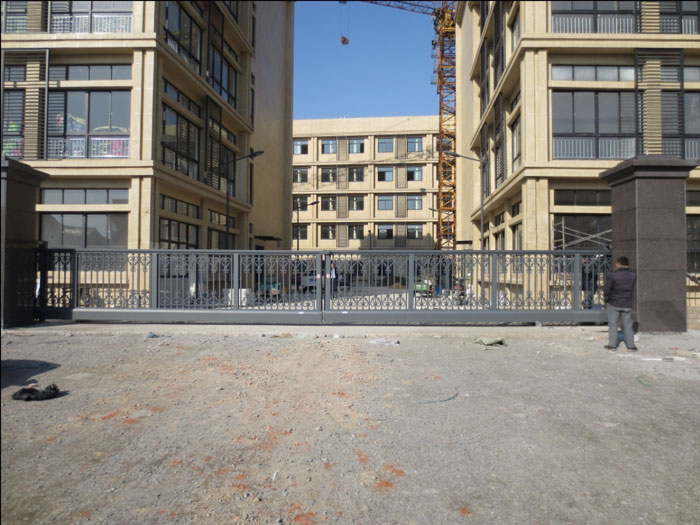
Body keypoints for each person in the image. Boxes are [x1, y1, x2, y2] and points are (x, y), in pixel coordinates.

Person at [603, 256, 637, 351]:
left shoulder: (613, 275)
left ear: (618, 264)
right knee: (628, 325)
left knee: (613, 325)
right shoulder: (633, 275)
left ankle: (612, 345)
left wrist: (606, 299)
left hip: (614, 303)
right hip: (627, 303)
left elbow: (607, 289)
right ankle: (631, 346)